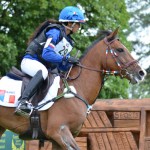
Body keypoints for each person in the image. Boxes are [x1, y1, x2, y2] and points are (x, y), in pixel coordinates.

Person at [15, 6, 85, 118]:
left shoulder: (68, 41)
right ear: (70, 23)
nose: (79, 26)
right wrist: (66, 58)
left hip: (45, 66)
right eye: (78, 23)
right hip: (30, 61)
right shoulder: (54, 31)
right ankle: (23, 102)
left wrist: (71, 63)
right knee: (43, 72)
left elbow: (61, 66)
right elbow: (47, 54)